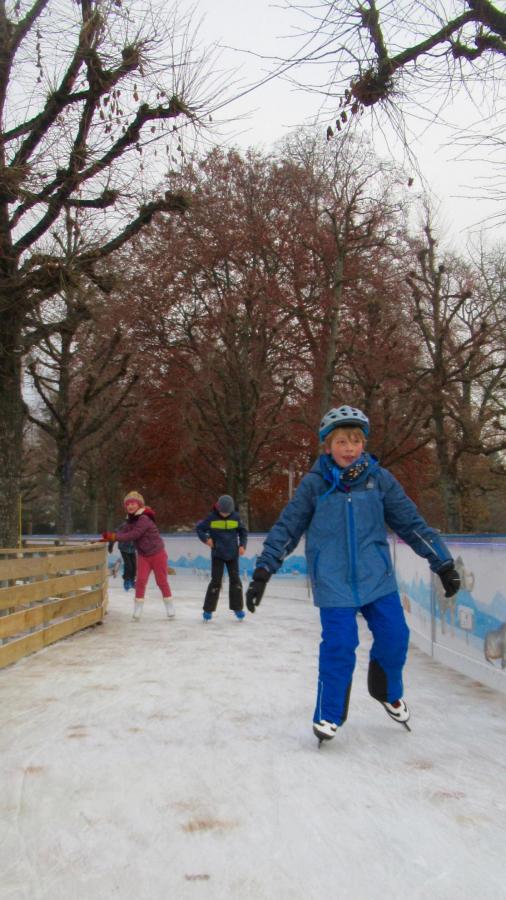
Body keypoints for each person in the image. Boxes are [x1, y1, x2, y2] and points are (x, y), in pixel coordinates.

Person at [245, 405, 461, 743]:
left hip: (377, 578)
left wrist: (443, 563)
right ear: (327, 445)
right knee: (339, 645)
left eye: (356, 441)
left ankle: (386, 691)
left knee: (395, 637)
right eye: (342, 441)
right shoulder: (315, 485)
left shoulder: (379, 481)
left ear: (364, 444)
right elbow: (288, 528)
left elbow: (411, 524)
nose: (349, 448)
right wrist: (263, 571)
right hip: (333, 581)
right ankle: (329, 715)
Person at [101, 491, 174, 622]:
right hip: (143, 556)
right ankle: (138, 608)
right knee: (140, 582)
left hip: (158, 554)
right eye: (127, 504)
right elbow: (122, 531)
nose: (130, 506)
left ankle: (169, 606)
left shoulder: (144, 518)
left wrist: (114, 537)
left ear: (139, 505)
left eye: (133, 503)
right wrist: (110, 538)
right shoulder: (130, 520)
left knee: (161, 581)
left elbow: (133, 535)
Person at [196, 494, 248, 622]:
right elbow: (200, 529)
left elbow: (243, 532)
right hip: (217, 555)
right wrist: (206, 539)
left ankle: (238, 608)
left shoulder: (236, 517)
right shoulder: (211, 517)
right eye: (222, 512)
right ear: (218, 508)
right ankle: (208, 610)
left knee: (235, 580)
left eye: (227, 512)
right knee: (216, 581)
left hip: (232, 555)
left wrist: (242, 545)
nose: (224, 514)